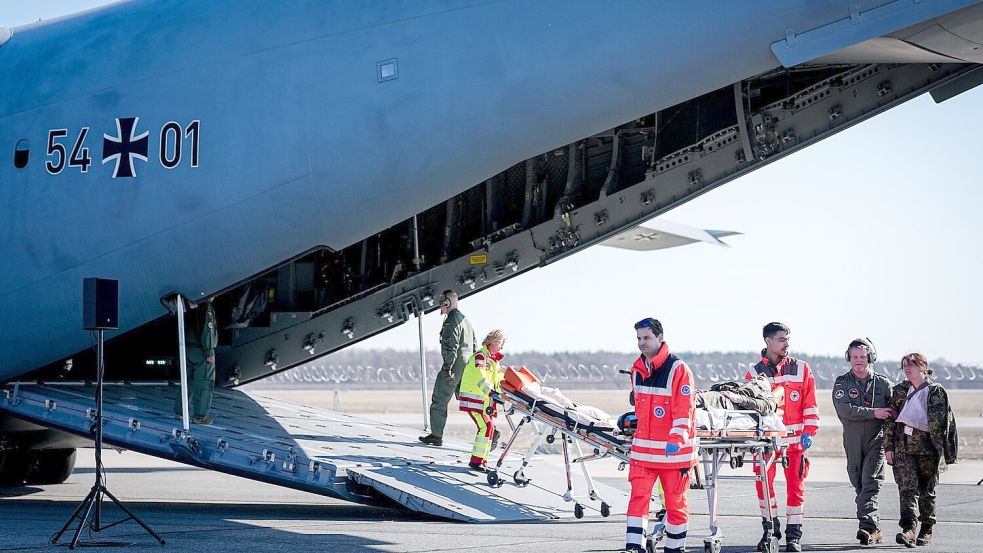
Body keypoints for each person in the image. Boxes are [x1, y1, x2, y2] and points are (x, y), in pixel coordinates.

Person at [624, 318, 697, 553]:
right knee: (637, 502)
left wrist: (676, 440)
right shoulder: (637, 370)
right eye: (638, 338)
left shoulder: (678, 369)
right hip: (644, 453)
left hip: (673, 455)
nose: (641, 343)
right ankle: (634, 547)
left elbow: (683, 411)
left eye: (646, 337)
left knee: (676, 505)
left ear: (660, 337)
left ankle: (675, 549)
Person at [746, 322, 819, 553]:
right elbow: (750, 409)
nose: (786, 343)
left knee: (795, 487)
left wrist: (809, 432)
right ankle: (771, 529)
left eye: (788, 339)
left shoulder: (802, 368)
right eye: (781, 339)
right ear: (768, 341)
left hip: (795, 441)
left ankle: (794, 535)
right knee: (763, 486)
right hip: (766, 441)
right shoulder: (754, 371)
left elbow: (810, 404)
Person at [884, 353, 958, 548]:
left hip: (927, 450)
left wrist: (941, 453)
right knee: (907, 490)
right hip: (903, 449)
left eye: (912, 365)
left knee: (926, 491)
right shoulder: (899, 391)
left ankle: (926, 528)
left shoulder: (935, 392)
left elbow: (940, 424)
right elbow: (890, 420)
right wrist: (889, 447)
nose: (907, 369)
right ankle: (908, 529)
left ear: (923, 367)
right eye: (904, 366)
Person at [832, 338, 894, 545]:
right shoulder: (842, 382)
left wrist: (890, 444)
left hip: (876, 440)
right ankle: (874, 526)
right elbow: (845, 410)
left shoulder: (884, 384)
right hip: (852, 439)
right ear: (849, 358)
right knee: (858, 481)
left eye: (862, 356)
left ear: (870, 358)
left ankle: (865, 527)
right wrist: (875, 412)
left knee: (871, 482)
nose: (858, 360)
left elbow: (893, 414)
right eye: (854, 356)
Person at [419, 290, 476, 447]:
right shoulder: (466, 321)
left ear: (447, 303)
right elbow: (474, 344)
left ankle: (436, 435)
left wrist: (447, 368)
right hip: (467, 364)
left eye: (441, 302)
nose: (439, 305)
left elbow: (450, 346)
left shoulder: (451, 321)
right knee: (469, 401)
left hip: (455, 364)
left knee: (439, 399)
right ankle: (490, 430)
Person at [458, 329, 506, 472]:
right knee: (486, 427)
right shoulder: (480, 357)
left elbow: (499, 381)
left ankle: (482, 461)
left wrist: (507, 393)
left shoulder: (493, 361)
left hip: (484, 402)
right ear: (495, 341)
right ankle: (476, 462)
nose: (502, 347)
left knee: (489, 428)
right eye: (501, 343)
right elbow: (481, 379)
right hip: (474, 399)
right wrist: (491, 393)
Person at [173, 298, 218, 425]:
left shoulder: (189, 304)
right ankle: (200, 416)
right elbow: (208, 330)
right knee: (205, 383)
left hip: (188, 349)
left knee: (187, 382)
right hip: (201, 351)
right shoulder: (206, 308)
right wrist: (209, 351)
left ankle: (180, 412)